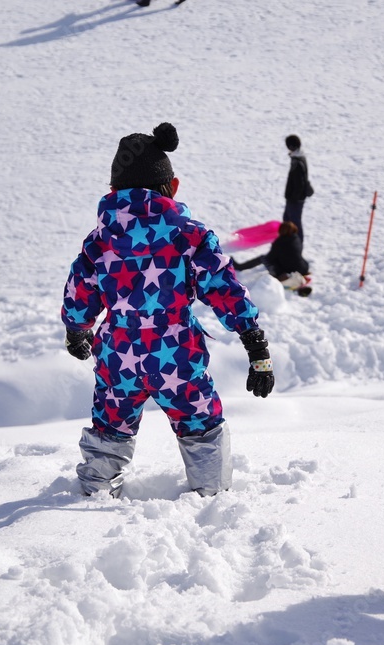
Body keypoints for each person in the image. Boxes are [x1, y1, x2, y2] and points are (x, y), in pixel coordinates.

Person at [61, 121, 274, 498]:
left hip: (119, 355)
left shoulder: (100, 241)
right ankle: (212, 497)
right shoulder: (189, 235)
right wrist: (255, 345)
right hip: (176, 355)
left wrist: (77, 331)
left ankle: (93, 495)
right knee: (200, 425)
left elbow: (81, 290)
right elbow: (224, 287)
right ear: (172, 187)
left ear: (113, 191)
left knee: (110, 426)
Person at [232, 221, 312, 296]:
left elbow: (270, 258)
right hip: (303, 268)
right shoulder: (296, 238)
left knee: (263, 258)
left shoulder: (279, 242)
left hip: (288, 271)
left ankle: (240, 267)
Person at [282, 134, 313, 242]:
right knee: (287, 219)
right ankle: (288, 241)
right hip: (294, 197)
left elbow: (299, 183)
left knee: (294, 222)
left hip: (295, 199)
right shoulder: (298, 157)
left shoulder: (297, 162)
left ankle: (297, 245)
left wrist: (293, 198)